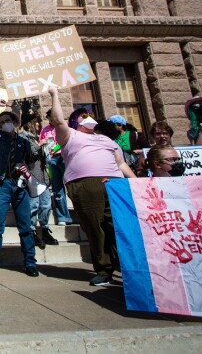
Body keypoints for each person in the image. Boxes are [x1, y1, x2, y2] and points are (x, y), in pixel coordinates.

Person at [47, 87, 135, 287]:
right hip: (85, 185)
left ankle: (129, 268)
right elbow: (59, 120)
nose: (89, 118)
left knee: (119, 227)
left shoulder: (106, 139)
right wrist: (54, 94)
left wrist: (137, 183)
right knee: (95, 228)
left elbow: (121, 163)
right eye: (84, 116)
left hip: (115, 184)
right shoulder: (69, 136)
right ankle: (104, 270)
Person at [0, 110, 38, 277]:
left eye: (7, 120)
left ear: (14, 121)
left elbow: (31, 162)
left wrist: (26, 167)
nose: (5, 124)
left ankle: (30, 262)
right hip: (2, 184)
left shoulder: (25, 143)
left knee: (25, 226)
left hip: (20, 186)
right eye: (2, 122)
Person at [20, 113, 59, 248]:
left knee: (46, 204)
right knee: (34, 205)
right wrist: (39, 145)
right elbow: (28, 154)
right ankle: (32, 231)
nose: (38, 125)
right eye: (36, 122)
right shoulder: (24, 137)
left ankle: (45, 228)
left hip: (43, 175)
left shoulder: (36, 137)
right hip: (33, 175)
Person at [39, 109, 72, 225]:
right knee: (57, 188)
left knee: (71, 185)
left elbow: (67, 139)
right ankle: (63, 216)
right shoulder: (45, 130)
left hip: (64, 156)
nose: (52, 120)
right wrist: (42, 143)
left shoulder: (64, 127)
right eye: (50, 118)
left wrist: (57, 148)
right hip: (51, 159)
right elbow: (41, 142)